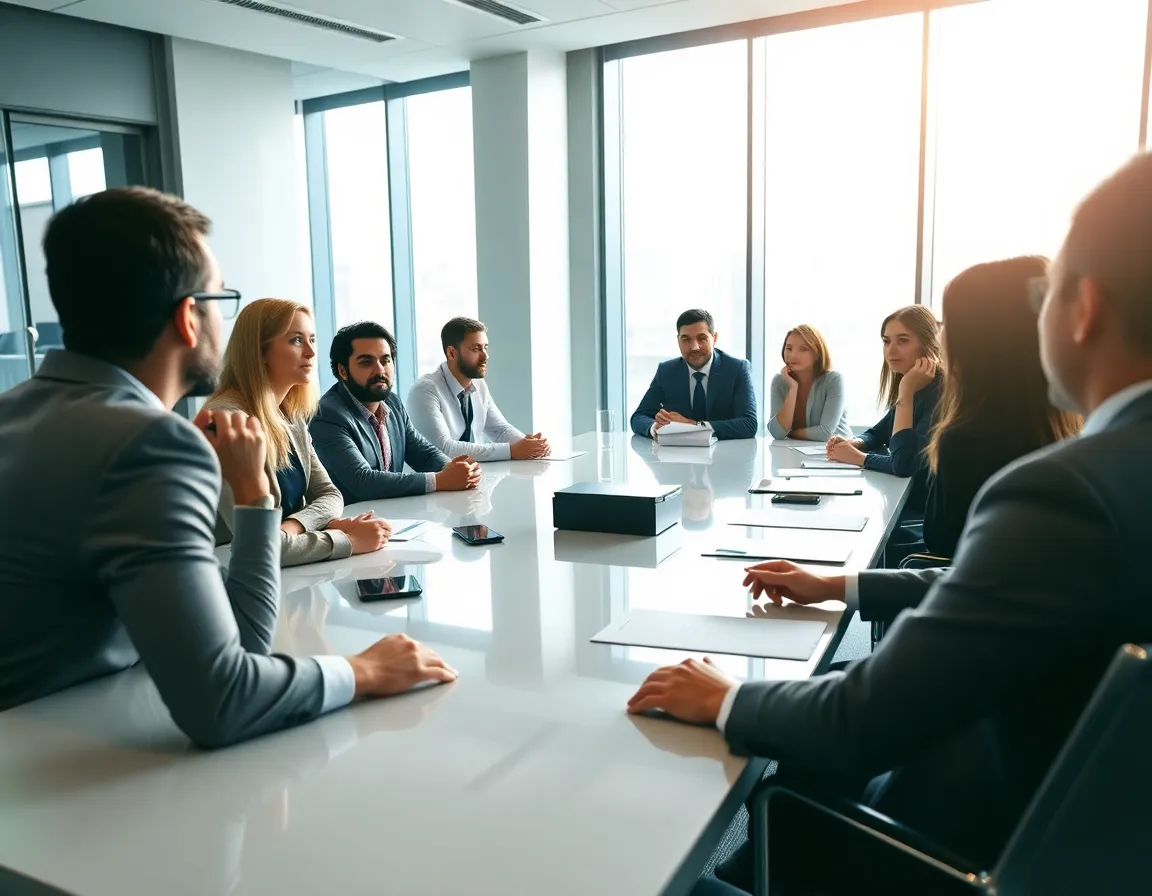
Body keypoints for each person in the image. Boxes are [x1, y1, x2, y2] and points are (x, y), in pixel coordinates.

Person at [625, 151, 1152, 892]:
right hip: (1073, 834)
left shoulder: (1065, 493)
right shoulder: (1111, 475)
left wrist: (725, 696)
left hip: (947, 843)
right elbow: (998, 599)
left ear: (1085, 308)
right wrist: (841, 584)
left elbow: (862, 718)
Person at [0, 187, 456, 747]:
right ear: (188, 318)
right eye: (221, 300)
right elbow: (229, 687)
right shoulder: (152, 443)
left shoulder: (15, 415)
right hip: (70, 765)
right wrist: (366, 669)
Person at [205, 299, 391, 568]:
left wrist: (293, 526)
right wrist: (346, 540)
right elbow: (262, 548)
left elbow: (330, 495)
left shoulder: (290, 415)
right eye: (296, 340)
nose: (311, 352)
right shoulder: (227, 422)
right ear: (260, 352)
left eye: (312, 339)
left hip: (291, 576)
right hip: (230, 576)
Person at [922, 257, 1081, 558]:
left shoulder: (968, 438)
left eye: (946, 324)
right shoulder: (1071, 427)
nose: (940, 337)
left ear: (977, 340)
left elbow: (944, 546)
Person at [310, 321, 481, 503]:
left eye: (385, 360)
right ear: (343, 371)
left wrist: (453, 468)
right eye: (366, 362)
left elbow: (423, 453)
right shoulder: (327, 415)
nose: (380, 370)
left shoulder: (392, 401)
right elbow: (362, 480)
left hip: (392, 517)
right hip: (350, 522)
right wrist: (440, 480)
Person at [826, 304, 943, 519]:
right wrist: (854, 443)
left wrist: (860, 458)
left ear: (928, 344)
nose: (891, 350)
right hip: (903, 502)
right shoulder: (917, 383)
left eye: (903, 340)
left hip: (923, 514)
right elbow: (877, 433)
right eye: (886, 341)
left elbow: (904, 464)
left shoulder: (937, 391)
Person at [406, 316, 551, 462]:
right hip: (435, 481)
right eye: (476, 349)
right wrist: (511, 450)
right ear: (451, 353)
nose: (485, 356)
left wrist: (529, 445)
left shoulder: (478, 384)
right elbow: (444, 448)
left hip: (469, 476)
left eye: (485, 347)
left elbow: (500, 430)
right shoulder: (425, 391)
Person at [630, 309, 758, 441]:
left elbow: (749, 424)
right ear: (678, 340)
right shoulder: (667, 371)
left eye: (702, 338)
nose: (694, 347)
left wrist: (694, 425)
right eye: (686, 339)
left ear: (714, 338)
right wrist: (655, 427)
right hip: (678, 455)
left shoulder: (737, 369)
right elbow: (639, 417)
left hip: (725, 455)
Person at [766, 324, 852, 441]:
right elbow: (777, 433)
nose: (793, 355)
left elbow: (824, 433)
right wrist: (793, 388)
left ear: (817, 354)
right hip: (796, 451)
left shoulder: (834, 380)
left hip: (838, 453)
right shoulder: (780, 381)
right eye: (789, 348)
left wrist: (791, 433)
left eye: (803, 349)